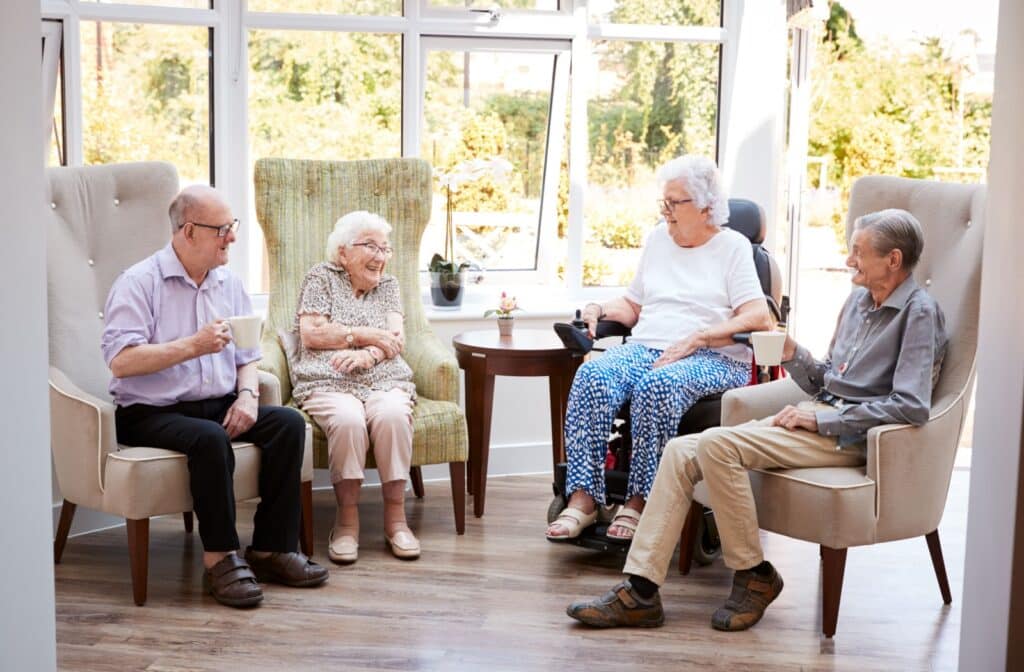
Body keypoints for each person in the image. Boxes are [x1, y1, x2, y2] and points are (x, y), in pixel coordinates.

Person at [566, 208, 947, 632]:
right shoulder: (859, 302)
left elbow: (911, 405)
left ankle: (754, 575)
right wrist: (793, 352)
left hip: (851, 436)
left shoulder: (919, 313)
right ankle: (640, 591)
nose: (848, 260)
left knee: (714, 444)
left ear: (892, 260)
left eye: (858, 252)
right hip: (819, 414)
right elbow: (829, 379)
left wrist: (821, 423)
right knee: (679, 451)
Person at [102, 185, 328, 609]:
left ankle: (272, 549)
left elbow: (247, 353)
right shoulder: (138, 283)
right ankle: (220, 558)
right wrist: (192, 346)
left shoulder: (228, 282)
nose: (232, 237)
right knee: (209, 437)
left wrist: (246, 395)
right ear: (189, 231)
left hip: (219, 402)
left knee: (288, 423)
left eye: (232, 226)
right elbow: (121, 362)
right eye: (222, 229)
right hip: (149, 410)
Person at [546, 155, 773, 543]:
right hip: (650, 347)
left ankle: (640, 502)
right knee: (593, 375)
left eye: (675, 202)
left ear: (706, 206)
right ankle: (584, 499)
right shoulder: (657, 239)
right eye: (663, 202)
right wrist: (599, 309)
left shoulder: (733, 247)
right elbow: (633, 306)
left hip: (713, 357)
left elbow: (759, 317)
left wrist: (700, 336)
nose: (666, 210)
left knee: (658, 385)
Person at [289, 210, 419, 564]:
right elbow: (312, 334)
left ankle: (396, 518)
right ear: (343, 251)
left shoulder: (388, 286)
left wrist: (369, 356)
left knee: (393, 414)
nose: (380, 256)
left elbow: (397, 339)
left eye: (385, 248)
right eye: (371, 246)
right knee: (347, 419)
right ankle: (347, 520)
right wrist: (362, 336)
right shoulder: (321, 277)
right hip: (327, 378)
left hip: (384, 377)